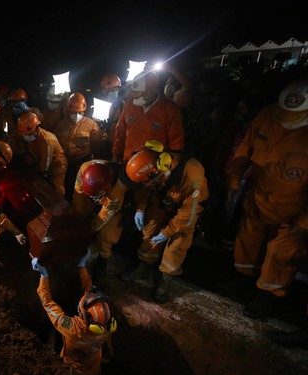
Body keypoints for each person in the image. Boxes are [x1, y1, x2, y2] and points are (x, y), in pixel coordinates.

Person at [225, 79, 308, 318]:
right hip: (257, 194)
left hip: (292, 207)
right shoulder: (268, 115)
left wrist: (304, 223)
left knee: (281, 254)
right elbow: (244, 149)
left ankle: (268, 297)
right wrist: (234, 177)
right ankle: (242, 279)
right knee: (248, 241)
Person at [119, 140, 208, 302]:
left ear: (157, 174)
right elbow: (145, 189)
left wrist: (166, 232)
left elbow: (188, 213)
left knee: (177, 243)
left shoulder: (193, 174)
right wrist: (140, 209)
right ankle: (144, 265)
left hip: (186, 209)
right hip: (163, 200)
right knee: (149, 229)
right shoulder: (153, 164)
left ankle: (167, 278)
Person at [32, 257, 116, 375]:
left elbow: (48, 304)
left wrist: (44, 275)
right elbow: (90, 295)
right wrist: (82, 267)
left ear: (85, 317)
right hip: (93, 374)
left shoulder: (71, 327)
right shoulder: (107, 327)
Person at [112, 70, 185, 163]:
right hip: (128, 161)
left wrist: (171, 163)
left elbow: (176, 143)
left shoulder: (170, 109)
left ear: (152, 91)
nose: (134, 99)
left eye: (139, 95)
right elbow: (120, 132)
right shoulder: (129, 104)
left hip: (155, 165)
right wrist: (116, 154)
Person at [72, 160, 127, 275]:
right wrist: (78, 219)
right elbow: (79, 193)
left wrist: (90, 230)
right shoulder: (84, 168)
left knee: (106, 234)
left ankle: (104, 258)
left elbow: (103, 217)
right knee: (78, 211)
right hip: (93, 194)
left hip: (112, 206)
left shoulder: (116, 193)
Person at [54, 93, 101, 200]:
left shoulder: (91, 125)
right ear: (68, 110)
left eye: (79, 112)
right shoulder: (60, 125)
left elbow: (97, 144)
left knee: (81, 190)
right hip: (66, 161)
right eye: (73, 112)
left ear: (84, 109)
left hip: (82, 162)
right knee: (67, 187)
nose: (76, 115)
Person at [16, 111, 67, 195]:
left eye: (27, 135)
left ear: (35, 128)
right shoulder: (31, 135)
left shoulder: (47, 141)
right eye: (24, 135)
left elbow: (46, 163)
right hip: (41, 158)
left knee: (57, 187)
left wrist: (42, 176)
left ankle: (60, 204)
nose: (25, 137)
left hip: (57, 163)